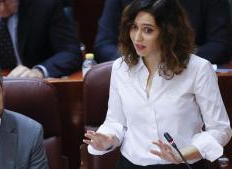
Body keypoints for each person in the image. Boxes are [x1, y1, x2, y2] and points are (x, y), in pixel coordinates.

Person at [83, 0, 232, 168]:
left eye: (148, 30)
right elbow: (116, 122)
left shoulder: (198, 69)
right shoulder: (121, 67)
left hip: (182, 164)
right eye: (134, 27)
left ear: (169, 33)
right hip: (131, 164)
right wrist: (107, 139)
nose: (137, 37)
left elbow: (220, 130)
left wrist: (180, 155)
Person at [94, 0, 232, 64]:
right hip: (134, 72)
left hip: (186, 71)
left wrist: (174, 60)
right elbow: (103, 45)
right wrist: (137, 61)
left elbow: (220, 45)